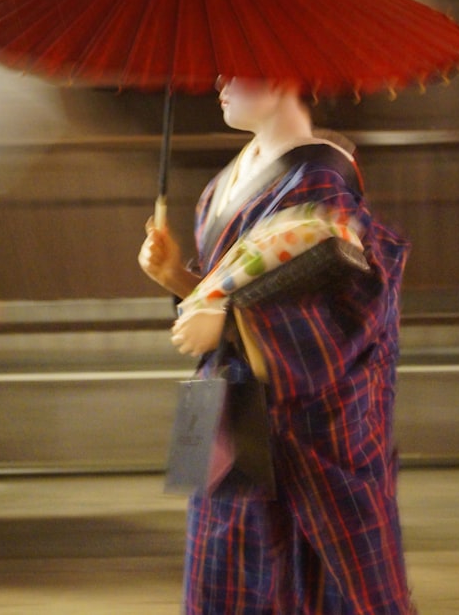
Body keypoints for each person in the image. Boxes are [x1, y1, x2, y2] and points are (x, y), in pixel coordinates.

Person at [138, 77, 414, 614]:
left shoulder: (322, 178)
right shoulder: (229, 178)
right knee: (229, 560)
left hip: (306, 418)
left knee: (309, 579)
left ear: (284, 75)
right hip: (235, 402)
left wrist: (226, 312)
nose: (220, 83)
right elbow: (229, 289)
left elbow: (339, 310)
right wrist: (177, 276)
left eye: (237, 69)